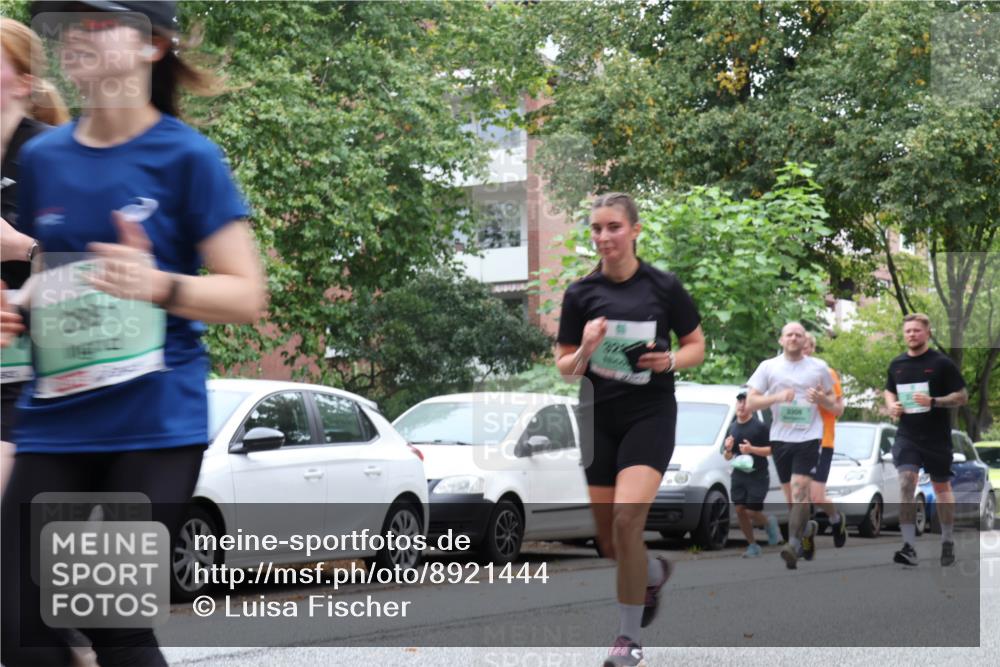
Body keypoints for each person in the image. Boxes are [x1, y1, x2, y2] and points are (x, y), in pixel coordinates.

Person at [1, 2, 266, 666]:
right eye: (69, 24)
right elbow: (53, 262)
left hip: (152, 423)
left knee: (109, 619)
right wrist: (22, 302)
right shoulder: (45, 159)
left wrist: (158, 283)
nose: (77, 36)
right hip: (55, 418)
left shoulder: (187, 157)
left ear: (154, 46)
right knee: (18, 619)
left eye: (101, 23)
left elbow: (247, 293)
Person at [555, 192, 705, 667]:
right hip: (599, 416)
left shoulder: (663, 286)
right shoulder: (580, 293)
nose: (604, 237)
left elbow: (696, 345)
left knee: (627, 520)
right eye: (597, 229)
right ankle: (652, 574)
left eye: (613, 227)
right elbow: (565, 367)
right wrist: (586, 346)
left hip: (650, 414)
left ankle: (627, 638)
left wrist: (670, 359)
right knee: (607, 541)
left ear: (635, 230)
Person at [1, 16, 70, 493]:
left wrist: (22, 248)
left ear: (24, 82)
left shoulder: (51, 154)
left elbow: (96, 272)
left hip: (27, 380)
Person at [745, 322, 836, 570]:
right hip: (780, 438)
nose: (794, 338)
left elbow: (837, 406)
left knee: (799, 490)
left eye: (798, 334)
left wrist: (822, 400)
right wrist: (776, 397)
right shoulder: (768, 367)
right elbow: (751, 402)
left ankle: (792, 545)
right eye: (789, 334)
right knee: (793, 499)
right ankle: (807, 530)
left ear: (805, 340)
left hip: (809, 437)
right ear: (781, 340)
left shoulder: (818, 368)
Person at [884, 313, 967, 567]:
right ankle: (908, 546)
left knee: (942, 488)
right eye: (908, 330)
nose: (912, 334)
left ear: (927, 333)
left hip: (936, 437)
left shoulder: (941, 363)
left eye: (917, 330)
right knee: (907, 481)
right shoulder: (897, 364)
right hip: (907, 435)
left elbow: (962, 396)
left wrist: (934, 401)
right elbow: (889, 390)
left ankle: (947, 540)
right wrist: (892, 407)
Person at [722, 387, 781, 557]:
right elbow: (727, 456)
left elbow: (771, 450)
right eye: (739, 401)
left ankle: (769, 522)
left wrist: (751, 449)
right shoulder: (732, 428)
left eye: (745, 401)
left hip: (758, 475)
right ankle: (753, 545)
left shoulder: (760, 427)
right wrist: (727, 449)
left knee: (750, 511)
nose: (741, 405)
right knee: (740, 510)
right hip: (739, 475)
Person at [803, 332, 847, 548]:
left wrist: (821, 399)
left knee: (817, 496)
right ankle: (804, 537)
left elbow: (839, 409)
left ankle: (836, 519)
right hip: (794, 442)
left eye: (806, 346)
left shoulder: (826, 373)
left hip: (822, 441)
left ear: (811, 348)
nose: (801, 350)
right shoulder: (785, 376)